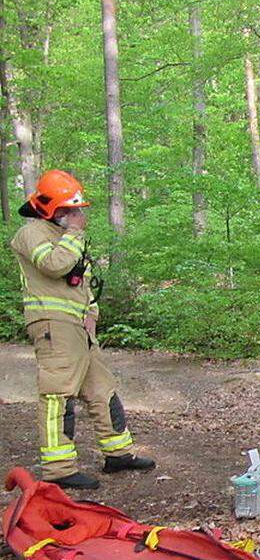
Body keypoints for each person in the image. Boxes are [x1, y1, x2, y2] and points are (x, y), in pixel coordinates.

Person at [9, 170, 155, 490]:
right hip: (53, 326)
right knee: (58, 394)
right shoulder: (31, 233)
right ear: (49, 208)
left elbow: (79, 282)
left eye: (76, 211)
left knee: (103, 389)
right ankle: (59, 468)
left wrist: (92, 310)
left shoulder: (65, 237)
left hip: (79, 328)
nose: (76, 216)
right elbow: (54, 265)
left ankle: (118, 454)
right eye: (69, 210)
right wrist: (74, 234)